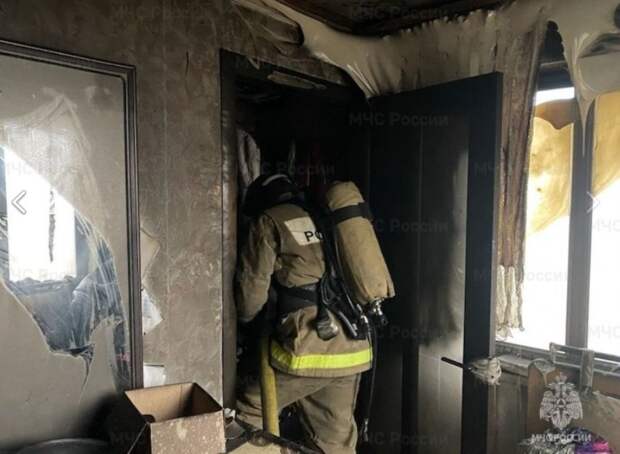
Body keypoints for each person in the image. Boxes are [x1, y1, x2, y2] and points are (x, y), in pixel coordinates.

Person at [235, 173, 372, 454]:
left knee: (251, 409)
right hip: (354, 348)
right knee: (334, 444)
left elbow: (250, 297)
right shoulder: (328, 219)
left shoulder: (269, 221)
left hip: (310, 349)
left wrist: (246, 324)